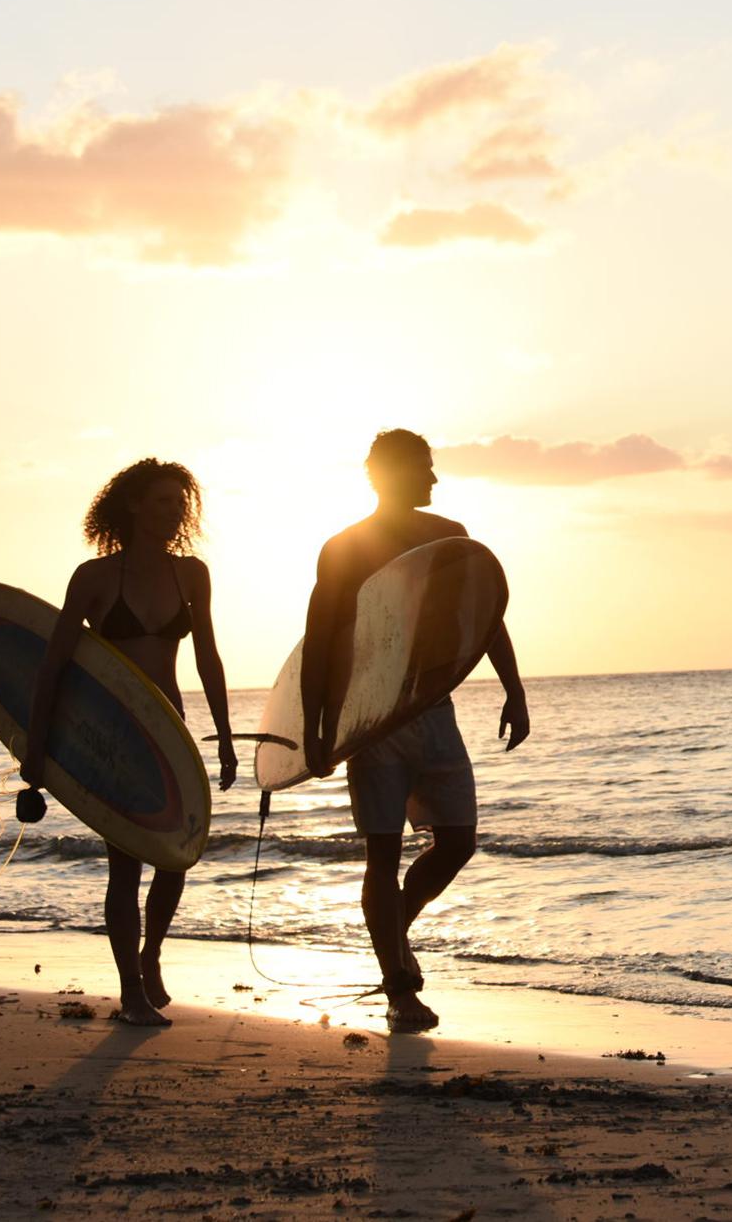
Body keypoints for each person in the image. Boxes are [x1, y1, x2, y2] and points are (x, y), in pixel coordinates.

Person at [302, 428, 529, 1032]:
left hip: (434, 707)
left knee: (457, 842)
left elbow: (483, 617)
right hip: (372, 718)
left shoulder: (449, 537)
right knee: (381, 853)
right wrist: (316, 730)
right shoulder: (345, 547)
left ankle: (391, 939)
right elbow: (320, 640)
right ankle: (401, 989)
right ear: (393, 473)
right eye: (425, 468)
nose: (434, 479)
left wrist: (514, 688)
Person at [21, 458, 239, 1027]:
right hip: (115, 740)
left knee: (177, 858)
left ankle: (151, 954)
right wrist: (36, 747)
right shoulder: (93, 579)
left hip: (172, 732)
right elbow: (54, 666)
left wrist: (224, 737)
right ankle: (131, 994)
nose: (175, 512)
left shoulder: (191, 574)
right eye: (163, 501)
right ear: (135, 506)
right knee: (125, 867)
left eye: (180, 503)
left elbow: (207, 657)